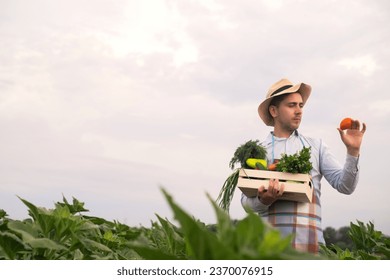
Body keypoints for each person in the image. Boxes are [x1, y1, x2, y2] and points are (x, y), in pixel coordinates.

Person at [241, 78, 367, 253]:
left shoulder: (316, 147)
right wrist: (264, 200)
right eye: (292, 105)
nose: (299, 111)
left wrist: (353, 151)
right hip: (270, 252)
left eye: (301, 106)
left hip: (311, 251)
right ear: (274, 111)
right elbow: (246, 204)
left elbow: (345, 186)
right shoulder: (257, 151)